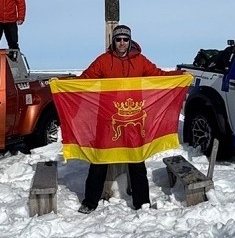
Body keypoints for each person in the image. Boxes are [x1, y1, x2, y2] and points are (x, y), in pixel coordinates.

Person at [77, 24, 184, 214]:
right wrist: (63, 83)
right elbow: (86, 79)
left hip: (134, 116)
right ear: (114, 41)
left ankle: (141, 202)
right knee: (100, 159)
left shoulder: (140, 61)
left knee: (136, 160)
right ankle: (90, 202)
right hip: (108, 118)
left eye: (125, 39)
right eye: (118, 39)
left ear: (130, 41)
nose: (122, 43)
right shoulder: (103, 61)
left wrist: (179, 76)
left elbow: (159, 76)